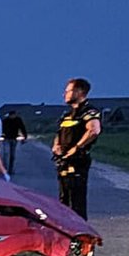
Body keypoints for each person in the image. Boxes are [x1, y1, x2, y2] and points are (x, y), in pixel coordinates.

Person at [52, 77, 102, 218]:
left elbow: (94, 130)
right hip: (63, 161)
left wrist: (77, 148)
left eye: (68, 91)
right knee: (63, 199)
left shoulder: (88, 111)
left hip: (77, 161)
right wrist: (56, 145)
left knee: (76, 201)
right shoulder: (67, 115)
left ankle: (80, 233)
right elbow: (59, 132)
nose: (64, 94)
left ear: (79, 92)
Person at [1, 108, 28, 175]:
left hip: (14, 139)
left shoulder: (18, 120)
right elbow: (1, 129)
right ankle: (5, 169)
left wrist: (25, 136)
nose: (13, 117)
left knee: (12, 155)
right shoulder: (5, 121)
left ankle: (10, 169)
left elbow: (22, 127)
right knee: (6, 154)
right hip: (6, 139)